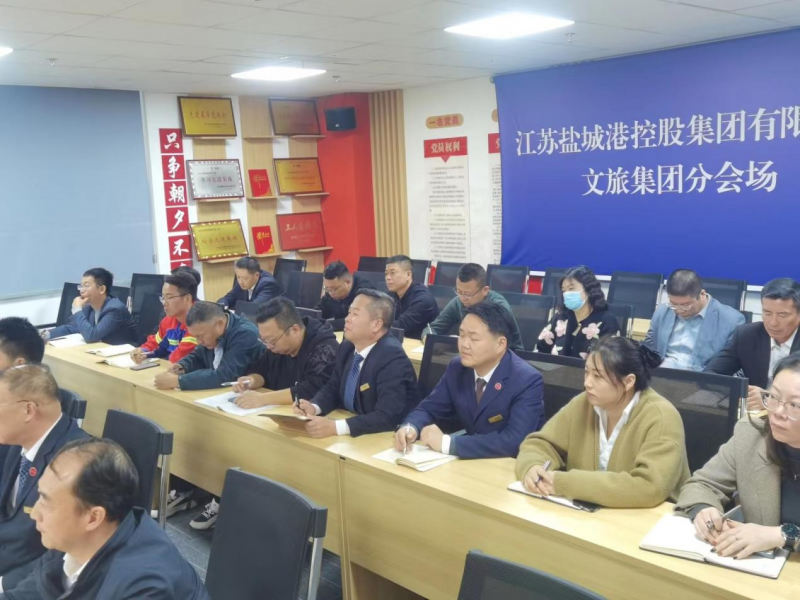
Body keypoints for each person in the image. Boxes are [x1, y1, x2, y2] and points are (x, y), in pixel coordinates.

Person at [0, 438, 209, 599]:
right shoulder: (74, 538)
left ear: (93, 518)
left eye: (47, 502)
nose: (35, 513)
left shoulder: (142, 585)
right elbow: (34, 590)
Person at [517, 336, 690, 508]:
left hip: (646, 519)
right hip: (587, 514)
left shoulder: (661, 417)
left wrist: (563, 483)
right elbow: (540, 444)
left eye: (598, 376)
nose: (587, 383)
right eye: (586, 372)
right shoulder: (584, 403)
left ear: (628, 381)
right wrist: (533, 465)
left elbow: (648, 487)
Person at [675, 354, 800, 558]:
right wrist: (704, 509)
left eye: (795, 405)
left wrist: (780, 536)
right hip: (757, 566)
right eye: (773, 397)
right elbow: (703, 484)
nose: (778, 412)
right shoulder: (752, 434)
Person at [396, 302, 544, 459]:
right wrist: (411, 426)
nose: (464, 344)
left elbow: (514, 441)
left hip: (509, 464)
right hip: (470, 460)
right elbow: (428, 408)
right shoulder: (458, 367)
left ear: (500, 344)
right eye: (461, 335)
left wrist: (448, 444)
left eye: (474, 338)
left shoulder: (527, 380)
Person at [0, 364, 88, 578]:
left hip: (22, 577)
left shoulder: (75, 464)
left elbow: (66, 554)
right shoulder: (18, 438)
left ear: (28, 410)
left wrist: (4, 585)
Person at [294, 289, 420, 438]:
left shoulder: (392, 359)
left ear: (376, 325)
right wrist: (314, 407)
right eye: (349, 312)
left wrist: (335, 427)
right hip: (356, 429)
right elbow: (333, 387)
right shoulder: (347, 346)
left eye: (355, 314)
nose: (347, 319)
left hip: (384, 438)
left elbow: (387, 417)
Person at [705, 278, 800, 410]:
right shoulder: (747, 335)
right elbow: (710, 375)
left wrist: (770, 399)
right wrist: (742, 392)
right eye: (767, 313)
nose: (773, 322)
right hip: (754, 414)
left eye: (782, 315)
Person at [231, 297, 339, 409]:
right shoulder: (276, 346)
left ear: (295, 330)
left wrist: (263, 399)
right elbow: (261, 369)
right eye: (264, 340)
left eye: (272, 341)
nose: (268, 346)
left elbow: (312, 390)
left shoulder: (324, 349)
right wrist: (252, 380)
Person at [644, 269, 744, 371]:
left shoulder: (731, 321)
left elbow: (736, 366)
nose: (679, 310)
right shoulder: (662, 311)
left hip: (702, 377)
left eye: (685, 305)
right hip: (661, 375)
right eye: (673, 304)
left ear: (702, 295)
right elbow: (648, 350)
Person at [153, 301, 262, 391]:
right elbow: (198, 356)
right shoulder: (210, 332)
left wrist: (178, 381)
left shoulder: (245, 333)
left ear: (219, 324)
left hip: (258, 392)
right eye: (195, 337)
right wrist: (182, 366)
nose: (198, 342)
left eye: (200, 336)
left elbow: (225, 375)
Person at [421, 263, 525, 352]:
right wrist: (429, 339)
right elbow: (433, 328)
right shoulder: (458, 302)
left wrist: (452, 344)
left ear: (485, 290)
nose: (463, 298)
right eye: (459, 292)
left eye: (468, 294)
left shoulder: (498, 308)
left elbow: (491, 347)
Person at [536, 265, 620, 358]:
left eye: (571, 289)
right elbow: (541, 349)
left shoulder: (607, 321)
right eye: (564, 290)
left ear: (588, 289)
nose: (566, 294)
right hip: (556, 367)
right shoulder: (561, 317)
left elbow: (610, 359)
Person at [42, 268, 136, 345]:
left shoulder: (114, 309)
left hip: (127, 357)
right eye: (81, 286)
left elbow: (91, 336)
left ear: (102, 289)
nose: (81, 290)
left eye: (86, 286)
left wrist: (77, 310)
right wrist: (46, 335)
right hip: (101, 351)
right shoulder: (89, 307)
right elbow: (72, 327)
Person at [131, 272, 198, 365]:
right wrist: (142, 351)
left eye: (169, 297)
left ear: (187, 299)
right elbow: (156, 343)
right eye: (163, 298)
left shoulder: (198, 322)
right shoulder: (168, 320)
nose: (164, 303)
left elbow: (179, 357)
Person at [385, 255, 439, 340]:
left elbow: (399, 326)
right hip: (400, 342)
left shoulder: (423, 299)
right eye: (386, 273)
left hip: (420, 345)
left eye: (392, 273)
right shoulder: (391, 295)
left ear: (408, 275)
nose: (388, 277)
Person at [315, 261, 375, 331]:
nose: (331, 292)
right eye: (327, 288)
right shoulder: (331, 291)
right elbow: (317, 313)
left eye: (335, 289)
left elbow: (356, 321)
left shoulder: (364, 293)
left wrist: (325, 325)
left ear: (348, 282)